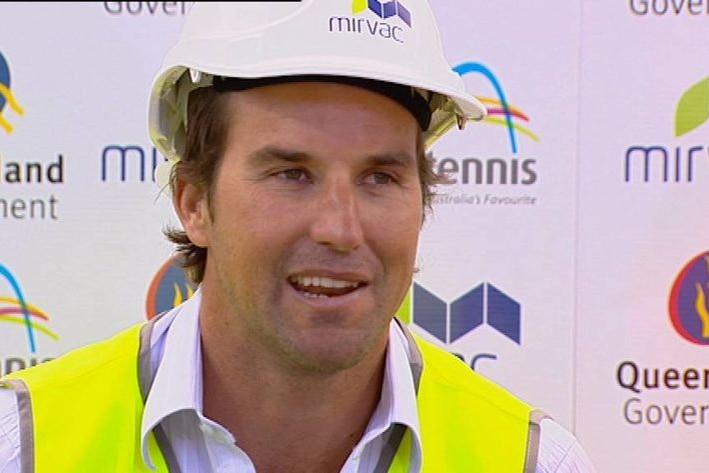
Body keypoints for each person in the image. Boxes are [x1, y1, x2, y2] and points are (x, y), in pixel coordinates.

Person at [0, 2, 596, 472]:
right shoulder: (22, 446)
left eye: (380, 177)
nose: (340, 229)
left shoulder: (530, 462)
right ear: (194, 202)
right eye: (291, 173)